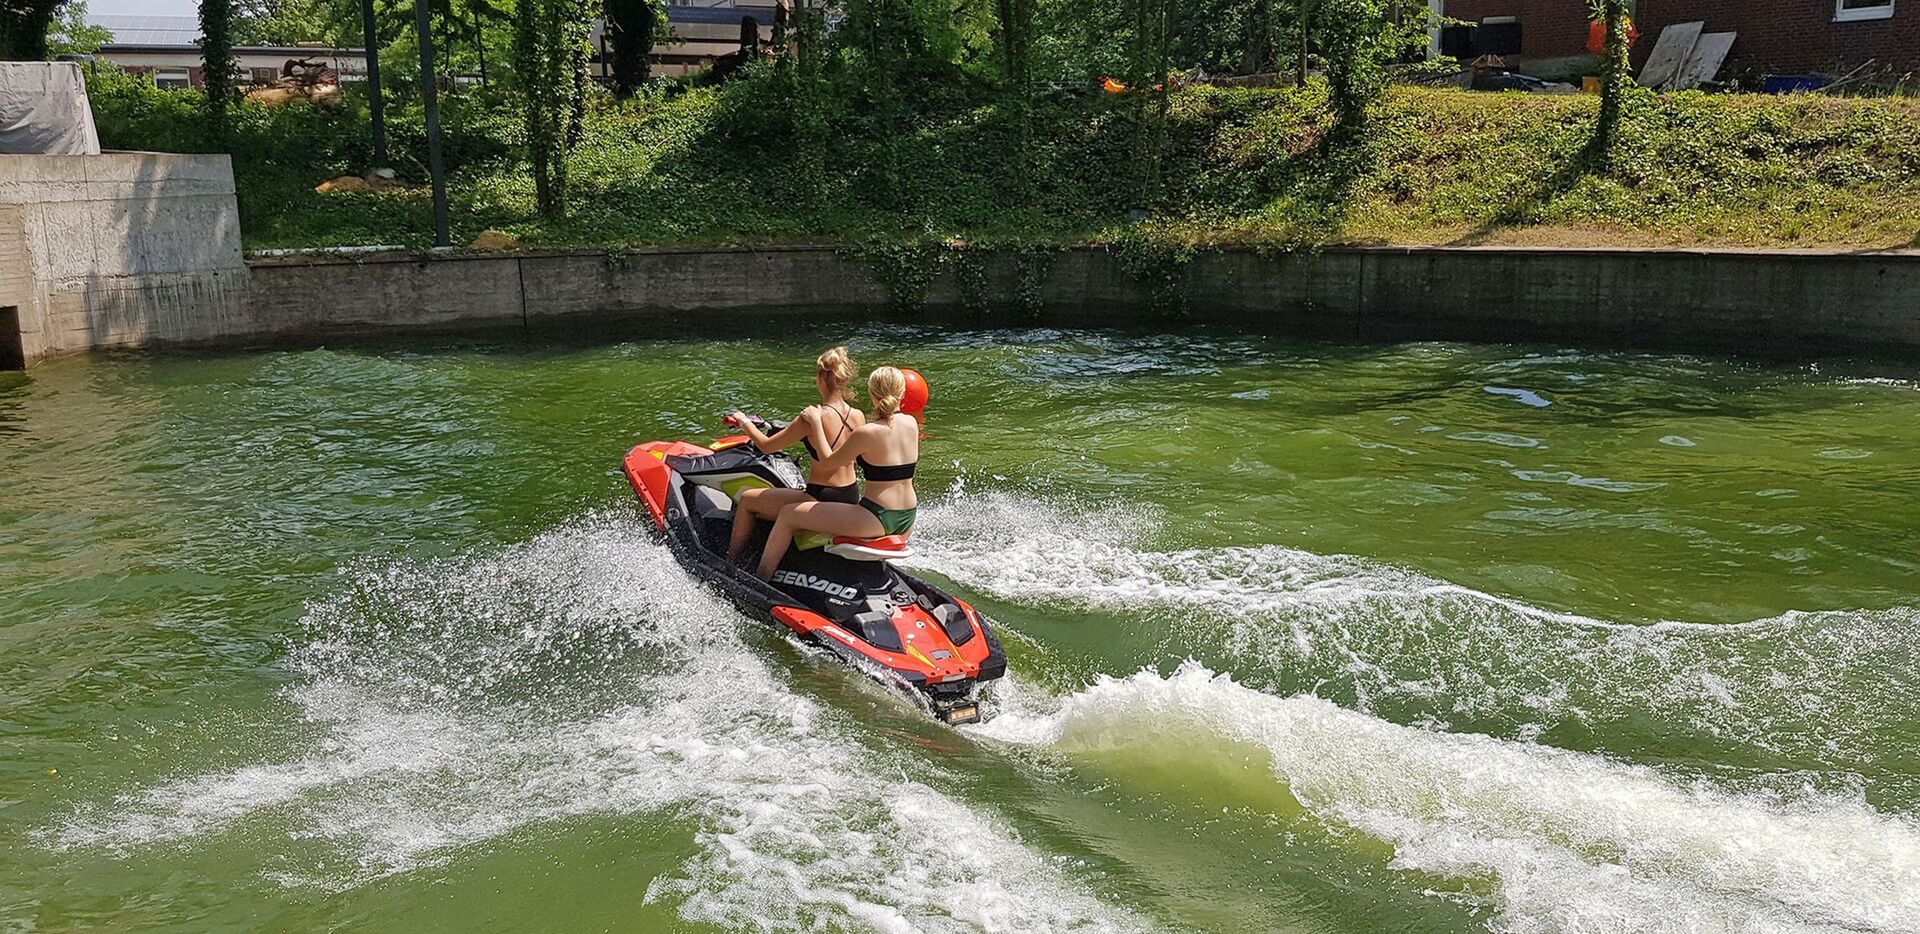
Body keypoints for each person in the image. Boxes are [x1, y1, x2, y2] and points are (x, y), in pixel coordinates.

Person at [755, 366, 919, 581]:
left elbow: (828, 462)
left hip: (876, 517)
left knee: (788, 514)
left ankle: (760, 580)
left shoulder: (867, 432)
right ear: (902, 393)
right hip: (907, 518)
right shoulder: (911, 423)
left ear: (872, 393)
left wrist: (816, 424)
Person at [725, 347, 865, 564]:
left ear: (821, 378)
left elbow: (766, 446)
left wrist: (744, 421)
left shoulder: (811, 417)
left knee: (747, 500)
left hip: (820, 496)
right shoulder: (858, 416)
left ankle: (731, 563)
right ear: (844, 380)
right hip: (850, 495)